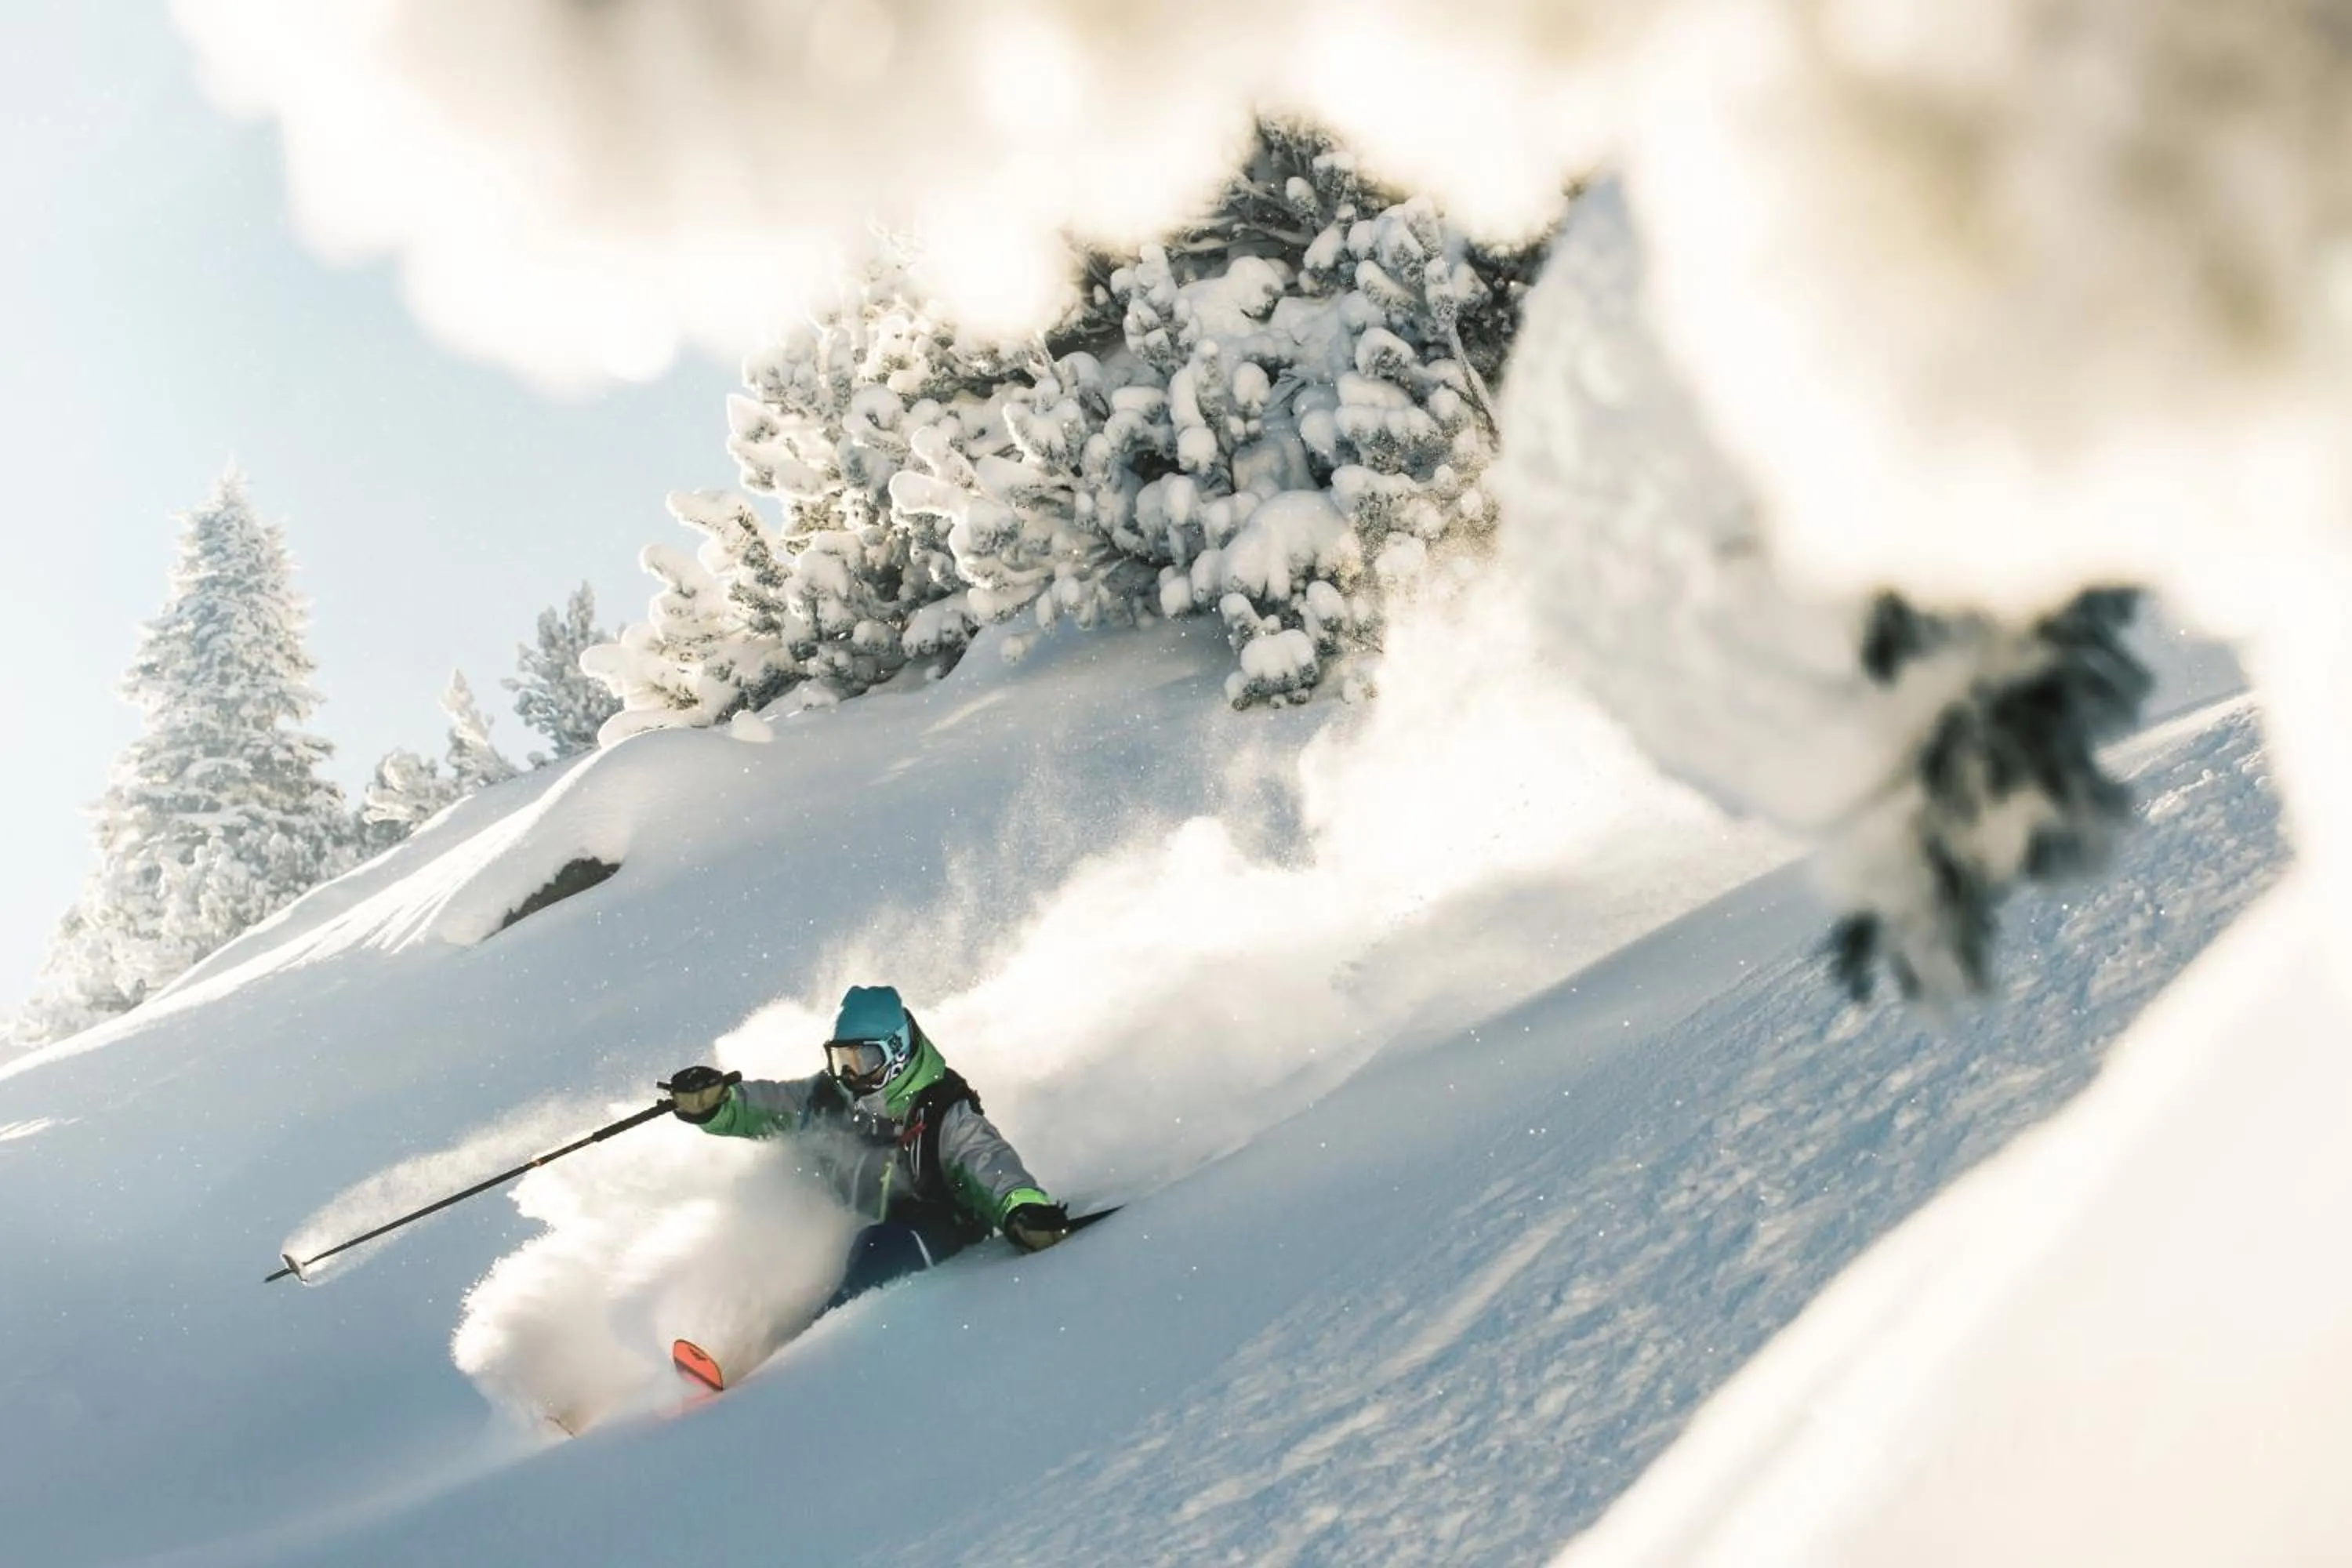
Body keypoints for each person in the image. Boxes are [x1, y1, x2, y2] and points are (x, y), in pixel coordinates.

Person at [662, 985, 1070, 1309]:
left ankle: (805, 1350)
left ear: (896, 1052)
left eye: (863, 1060)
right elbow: (770, 1107)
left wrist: (1022, 1207)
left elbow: (986, 1159)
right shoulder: (830, 1097)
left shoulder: (944, 1109)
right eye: (843, 1061)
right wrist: (717, 1104)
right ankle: (742, 1347)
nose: (850, 1075)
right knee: (778, 1246)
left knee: (880, 1249)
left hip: (933, 1229)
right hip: (854, 1222)